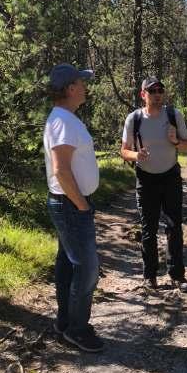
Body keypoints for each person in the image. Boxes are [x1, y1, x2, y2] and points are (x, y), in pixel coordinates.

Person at [43, 63, 103, 353]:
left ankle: (65, 323)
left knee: (69, 264)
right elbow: (61, 171)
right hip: (70, 204)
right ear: (70, 89)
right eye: (81, 82)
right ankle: (77, 330)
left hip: (71, 203)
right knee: (88, 268)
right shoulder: (62, 122)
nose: (85, 87)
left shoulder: (64, 119)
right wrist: (81, 205)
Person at [121, 77, 187, 291]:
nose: (158, 94)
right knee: (148, 229)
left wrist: (176, 141)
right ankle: (149, 276)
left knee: (174, 226)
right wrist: (136, 155)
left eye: (160, 90)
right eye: (152, 91)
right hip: (146, 179)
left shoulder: (174, 115)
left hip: (171, 176)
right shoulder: (134, 119)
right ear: (143, 94)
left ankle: (177, 276)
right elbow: (124, 150)